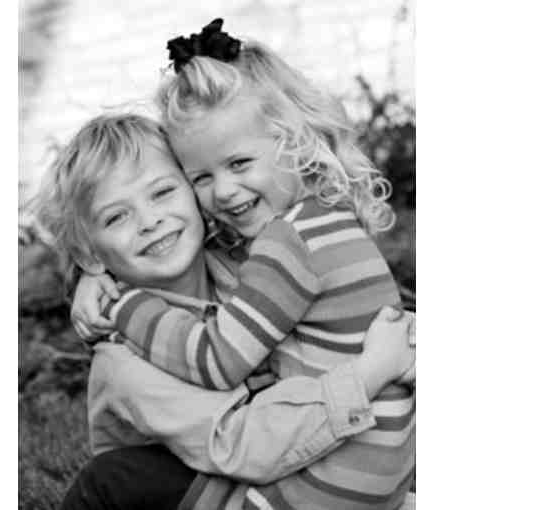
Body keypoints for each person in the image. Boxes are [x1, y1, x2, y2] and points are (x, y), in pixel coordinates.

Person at [75, 19, 415, 510]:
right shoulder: (322, 224)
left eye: (238, 164)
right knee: (117, 478)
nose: (224, 191)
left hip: (320, 485)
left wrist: (125, 307)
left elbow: (218, 363)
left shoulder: (284, 245)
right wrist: (92, 276)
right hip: (367, 474)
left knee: (109, 482)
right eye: (202, 177)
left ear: (292, 142)